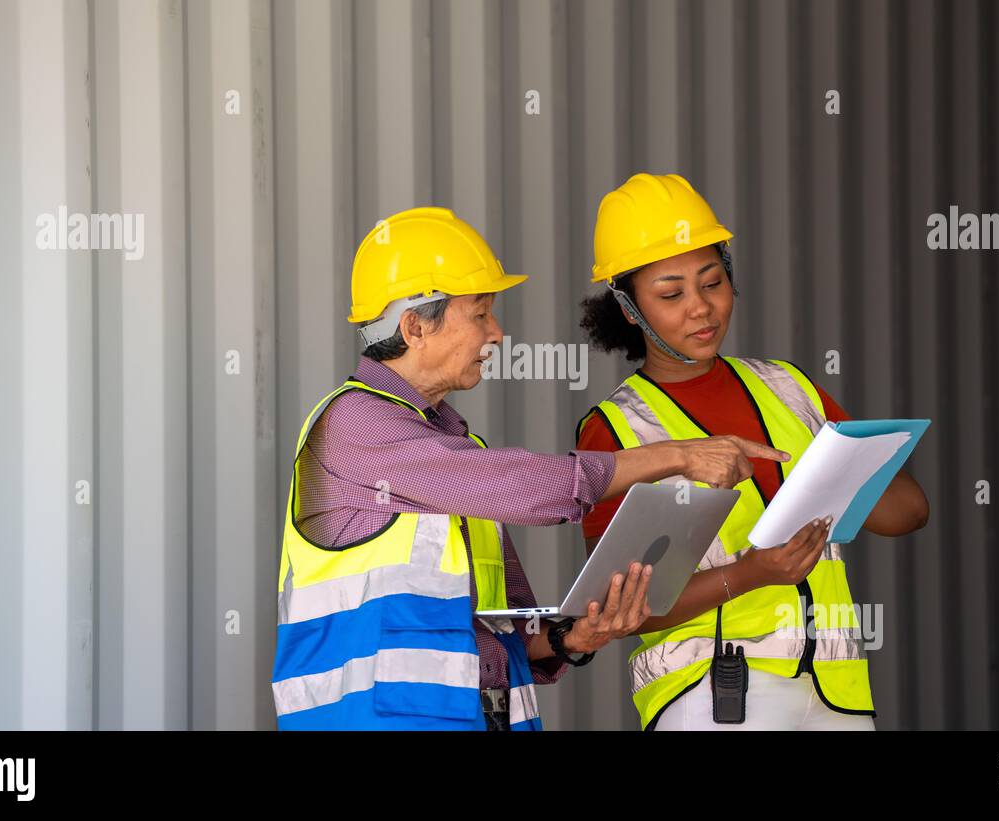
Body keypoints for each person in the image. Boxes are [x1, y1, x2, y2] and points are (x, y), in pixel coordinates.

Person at [271, 205, 788, 730]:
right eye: (479, 313)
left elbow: (497, 633)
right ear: (414, 327)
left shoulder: (451, 441)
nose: (496, 333)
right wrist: (677, 455)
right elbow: (527, 490)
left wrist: (571, 638)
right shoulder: (355, 424)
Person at [576, 173, 931, 731]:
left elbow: (909, 513)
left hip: (836, 690)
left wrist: (837, 478)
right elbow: (621, 611)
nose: (701, 308)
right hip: (714, 696)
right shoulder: (617, 429)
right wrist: (750, 574)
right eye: (671, 294)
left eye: (712, 282)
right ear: (627, 307)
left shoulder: (789, 387)